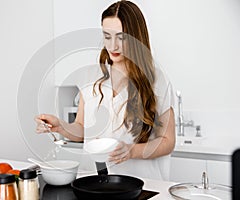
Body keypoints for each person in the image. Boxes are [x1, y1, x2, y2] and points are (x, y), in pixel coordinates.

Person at [35, 0, 175, 181]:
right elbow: (82, 130)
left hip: (142, 185)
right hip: (94, 183)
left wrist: (133, 151)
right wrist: (60, 126)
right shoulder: (91, 77)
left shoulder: (157, 81)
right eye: (107, 36)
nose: (113, 46)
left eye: (121, 37)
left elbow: (168, 141)